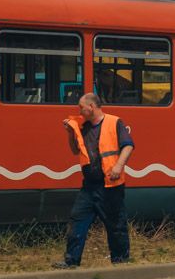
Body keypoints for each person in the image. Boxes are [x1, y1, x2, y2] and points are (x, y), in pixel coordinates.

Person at [54, 92, 134, 268]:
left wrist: (118, 166)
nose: (79, 111)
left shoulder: (114, 122)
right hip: (89, 185)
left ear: (91, 107)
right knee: (77, 221)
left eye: (81, 107)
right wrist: (70, 134)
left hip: (110, 185)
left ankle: (120, 261)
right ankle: (71, 261)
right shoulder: (84, 127)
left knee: (116, 225)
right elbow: (75, 150)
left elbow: (128, 145)